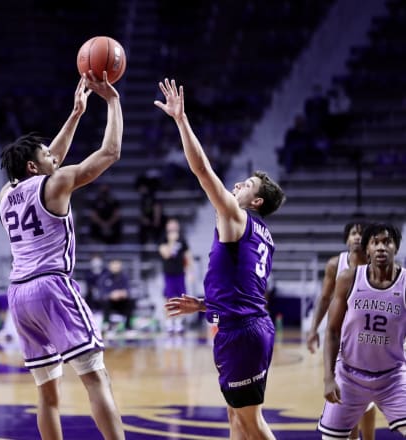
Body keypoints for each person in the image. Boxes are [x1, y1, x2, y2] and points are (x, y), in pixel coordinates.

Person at [0, 71, 125, 440]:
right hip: (51, 287)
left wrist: (76, 113)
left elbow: (46, 163)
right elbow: (111, 152)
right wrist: (112, 102)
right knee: (95, 377)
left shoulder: (5, 193)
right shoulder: (57, 182)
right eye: (46, 155)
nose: (54, 155)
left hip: (18, 295)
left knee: (48, 393)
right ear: (35, 166)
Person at [157, 78, 286, 439]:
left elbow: (202, 170)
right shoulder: (263, 235)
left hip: (242, 333)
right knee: (235, 416)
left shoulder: (236, 217)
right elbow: (244, 287)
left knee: (249, 421)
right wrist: (203, 304)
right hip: (245, 326)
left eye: (247, 185)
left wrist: (181, 121)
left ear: (256, 202)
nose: (238, 186)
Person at [318, 222, 406, 439]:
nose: (381, 248)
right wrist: (329, 377)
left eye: (387, 242)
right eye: (375, 243)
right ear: (367, 249)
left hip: (392, 377)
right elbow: (332, 331)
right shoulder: (349, 279)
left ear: (396, 247)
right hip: (349, 375)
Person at [306, 220, 376, 440]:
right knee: (346, 395)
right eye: (353, 233)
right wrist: (313, 329)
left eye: (361, 233)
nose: (356, 237)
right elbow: (325, 297)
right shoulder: (336, 265)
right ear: (346, 239)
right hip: (342, 340)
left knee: (367, 397)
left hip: (370, 339)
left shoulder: (379, 265)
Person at [158, 217, 193, 333]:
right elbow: (166, 254)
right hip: (169, 274)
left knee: (181, 298)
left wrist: (190, 272)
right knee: (168, 298)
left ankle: (178, 323)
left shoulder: (182, 239)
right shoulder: (163, 239)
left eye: (175, 225)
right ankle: (169, 323)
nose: (173, 228)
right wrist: (171, 242)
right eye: (170, 225)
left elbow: (188, 256)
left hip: (180, 274)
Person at [98, 259, 135, 334]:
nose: (116, 267)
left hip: (121, 302)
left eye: (118, 265)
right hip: (110, 302)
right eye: (114, 265)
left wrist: (122, 293)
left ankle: (128, 326)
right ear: (110, 266)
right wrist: (110, 295)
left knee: (131, 301)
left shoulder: (124, 277)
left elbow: (128, 290)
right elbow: (102, 293)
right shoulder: (104, 278)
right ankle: (107, 325)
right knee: (105, 302)